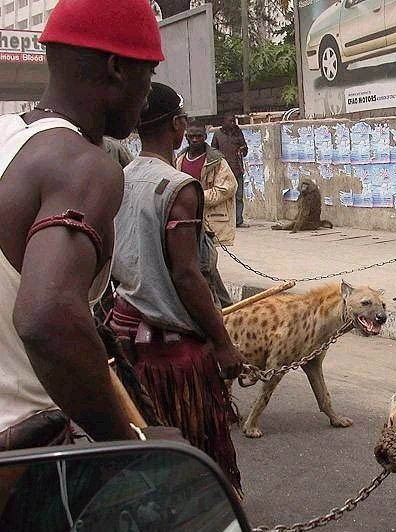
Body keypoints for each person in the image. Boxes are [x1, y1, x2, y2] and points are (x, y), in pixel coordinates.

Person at [0, 0, 166, 451]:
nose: (148, 94)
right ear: (115, 68)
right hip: (24, 454)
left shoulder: (7, 138)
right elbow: (46, 316)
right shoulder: (83, 166)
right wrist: (126, 442)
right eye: (147, 74)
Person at [108, 83, 244, 493]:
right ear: (178, 125)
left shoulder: (120, 177)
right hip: (171, 354)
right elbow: (187, 274)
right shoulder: (179, 187)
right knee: (195, 461)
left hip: (125, 337)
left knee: (145, 459)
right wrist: (223, 343)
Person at [177, 122, 238, 245]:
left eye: (198, 136)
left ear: (205, 137)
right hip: (185, 220)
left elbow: (226, 189)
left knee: (208, 259)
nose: (195, 140)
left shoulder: (217, 162)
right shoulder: (179, 160)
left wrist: (195, 197)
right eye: (191, 136)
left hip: (209, 222)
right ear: (186, 137)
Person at [212, 113, 249, 228]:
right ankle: (225, 220)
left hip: (237, 169)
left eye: (233, 121)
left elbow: (245, 149)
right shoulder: (218, 134)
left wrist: (242, 150)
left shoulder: (237, 133)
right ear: (224, 122)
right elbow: (213, 151)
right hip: (223, 171)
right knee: (224, 196)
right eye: (230, 121)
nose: (232, 123)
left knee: (238, 196)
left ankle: (238, 220)